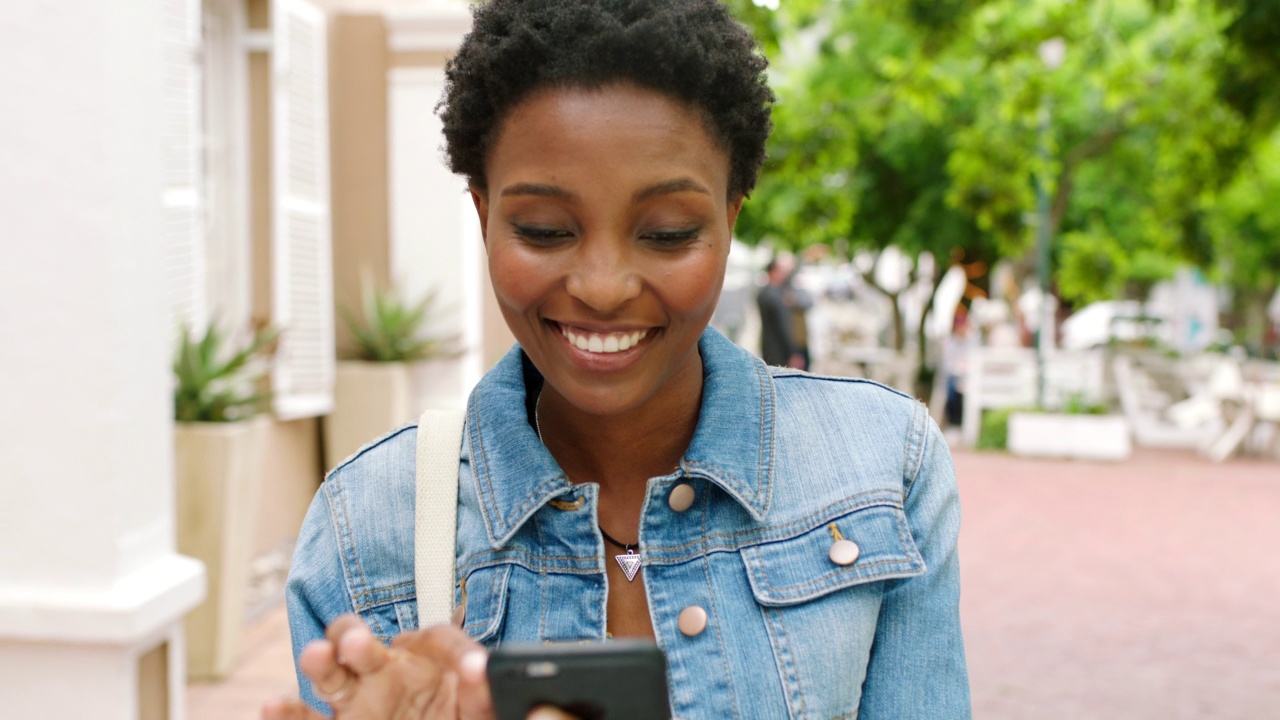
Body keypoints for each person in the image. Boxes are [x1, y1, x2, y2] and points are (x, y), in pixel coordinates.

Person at [264, 1, 970, 718]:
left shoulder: (883, 468)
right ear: (483, 218)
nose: (603, 287)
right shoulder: (369, 523)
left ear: (730, 220)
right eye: (543, 230)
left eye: (667, 233)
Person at [757, 255, 805, 369]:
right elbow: (783, 325)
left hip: (768, 346)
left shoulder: (764, 293)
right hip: (780, 349)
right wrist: (792, 353)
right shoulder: (775, 296)